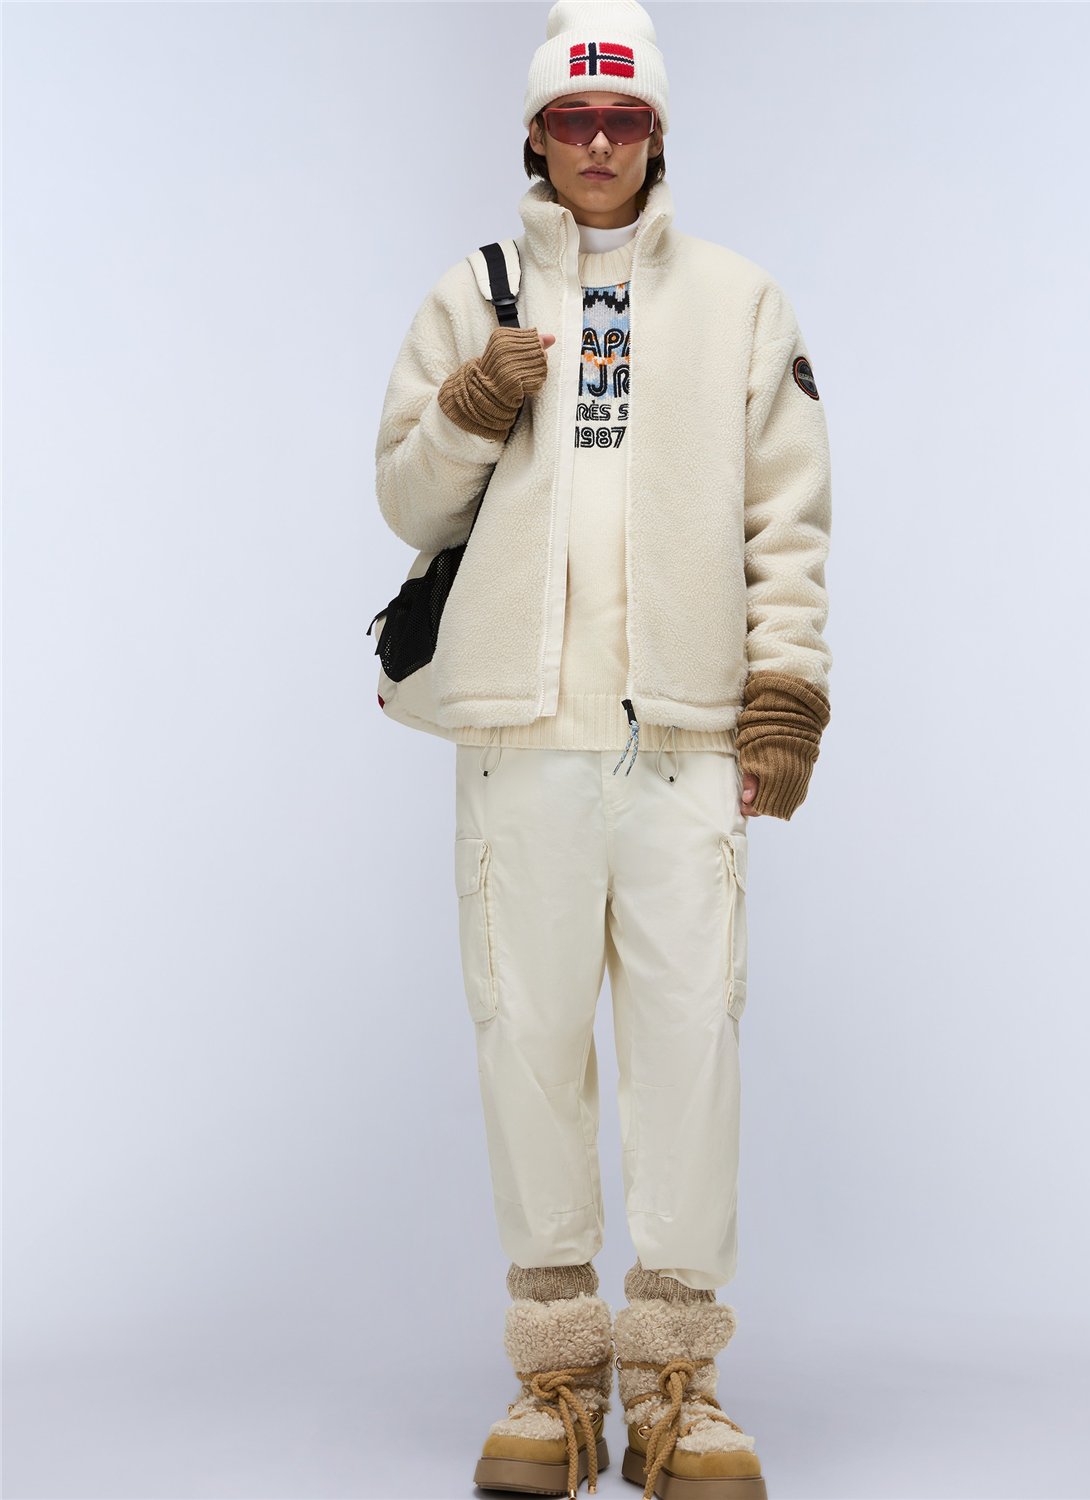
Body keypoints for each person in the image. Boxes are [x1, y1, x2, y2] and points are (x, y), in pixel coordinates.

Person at [373, 2, 833, 1493]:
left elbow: (788, 522)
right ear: (533, 132)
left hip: (687, 739)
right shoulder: (474, 295)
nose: (596, 142)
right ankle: (559, 1382)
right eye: (572, 120)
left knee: (692, 1044)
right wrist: (470, 406)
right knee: (527, 1043)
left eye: (621, 119)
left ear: (656, 132)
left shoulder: (742, 303)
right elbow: (406, 502)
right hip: (521, 733)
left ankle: (681, 1384)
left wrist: (784, 693)